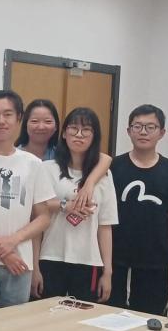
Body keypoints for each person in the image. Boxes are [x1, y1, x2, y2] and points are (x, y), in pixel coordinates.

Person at [0, 90, 56, 310]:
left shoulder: (32, 164)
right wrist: (2, 251)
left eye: (7, 114)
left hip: (20, 261)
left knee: (14, 326)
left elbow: (43, 217)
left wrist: (13, 241)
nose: (1, 120)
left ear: (18, 118)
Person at [108, 104, 168, 316]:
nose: (143, 132)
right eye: (138, 126)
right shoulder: (114, 167)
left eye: (150, 127)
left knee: (149, 319)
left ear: (162, 133)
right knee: (110, 316)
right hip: (115, 258)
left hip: (156, 260)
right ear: (128, 131)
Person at [32, 108, 118, 303]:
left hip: (89, 261)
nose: (79, 134)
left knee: (83, 318)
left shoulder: (104, 176)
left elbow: (105, 226)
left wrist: (108, 272)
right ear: (64, 133)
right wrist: (35, 267)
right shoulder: (47, 168)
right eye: (73, 128)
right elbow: (38, 213)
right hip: (51, 257)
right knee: (45, 315)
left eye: (86, 130)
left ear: (94, 136)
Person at [18, 97, 111, 220]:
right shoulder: (15, 155)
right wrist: (64, 205)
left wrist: (89, 184)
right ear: (25, 124)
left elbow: (105, 159)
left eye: (48, 121)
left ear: (57, 127)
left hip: (47, 223)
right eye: (34, 121)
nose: (41, 126)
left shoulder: (61, 154)